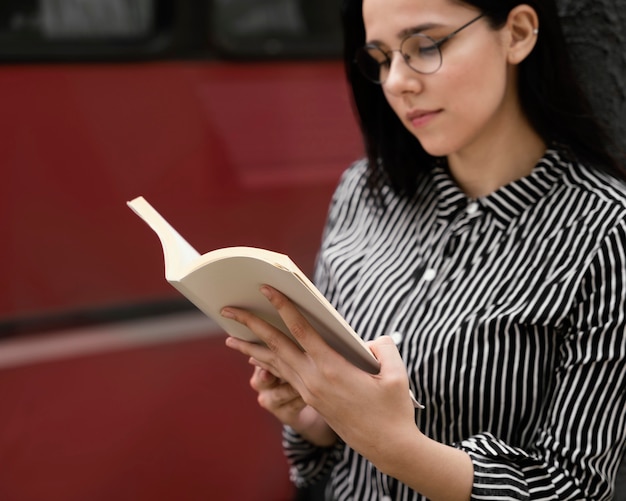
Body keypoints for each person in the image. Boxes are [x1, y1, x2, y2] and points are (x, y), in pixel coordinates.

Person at [221, 0, 626, 498]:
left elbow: (573, 485)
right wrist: (317, 415)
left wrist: (395, 446)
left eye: (426, 47)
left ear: (517, 33)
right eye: (382, 59)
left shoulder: (607, 230)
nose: (396, 83)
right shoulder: (363, 191)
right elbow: (333, 455)